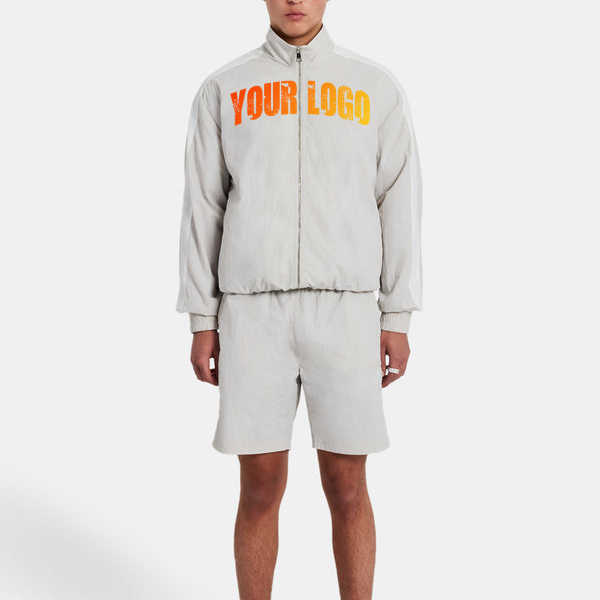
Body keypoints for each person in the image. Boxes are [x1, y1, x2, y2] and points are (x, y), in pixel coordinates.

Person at [176, 0, 422, 597]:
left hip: (346, 310)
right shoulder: (224, 89)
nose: (295, 0)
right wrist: (202, 318)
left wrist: (397, 313)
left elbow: (399, 201)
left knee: (347, 485)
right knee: (259, 486)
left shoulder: (374, 88)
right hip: (252, 313)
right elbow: (204, 206)